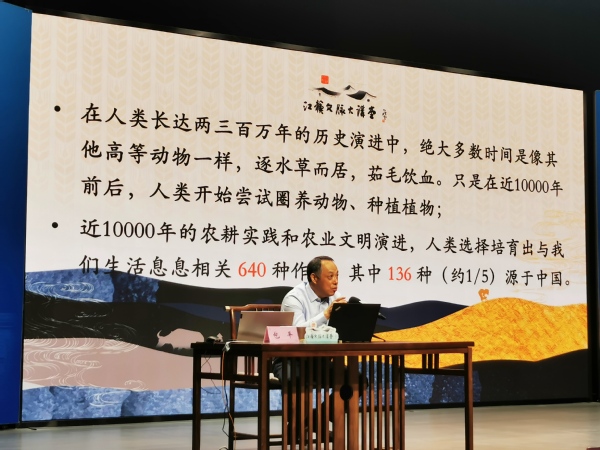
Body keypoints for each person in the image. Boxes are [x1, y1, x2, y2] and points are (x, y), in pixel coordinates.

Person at [272, 255, 349, 442]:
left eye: (337, 276)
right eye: (330, 276)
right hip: (290, 360)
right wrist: (326, 314)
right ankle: (300, 424)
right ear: (314, 278)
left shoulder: (336, 298)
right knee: (296, 378)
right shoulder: (294, 298)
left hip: (319, 360)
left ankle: (315, 418)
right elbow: (298, 333)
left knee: (356, 379)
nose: (336, 281)